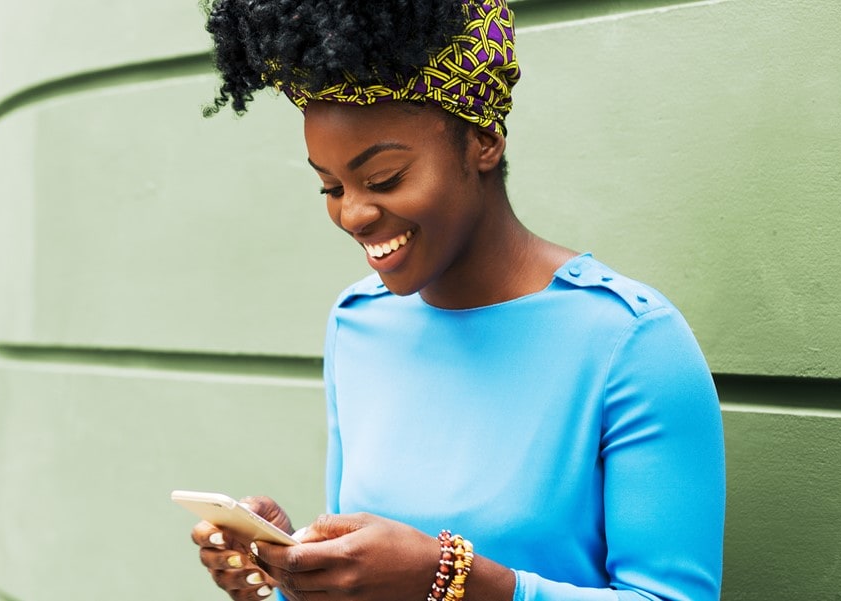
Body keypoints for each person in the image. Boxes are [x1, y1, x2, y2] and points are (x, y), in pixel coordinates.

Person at [188, 1, 726, 600]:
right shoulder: (358, 323)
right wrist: (294, 568)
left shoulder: (630, 342)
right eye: (331, 187)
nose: (355, 214)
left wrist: (449, 579)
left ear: (483, 142)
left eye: (385, 179)